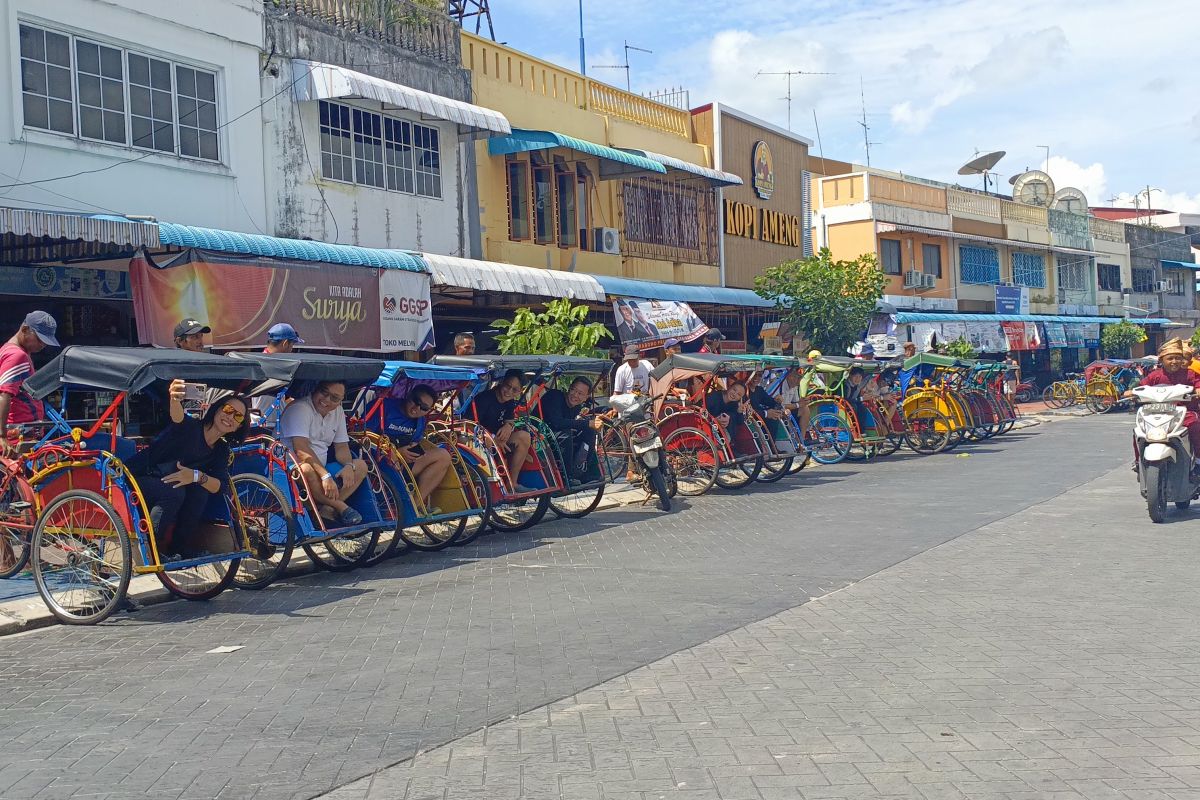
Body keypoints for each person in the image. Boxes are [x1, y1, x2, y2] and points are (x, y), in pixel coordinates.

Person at [125, 380, 249, 559]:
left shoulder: (221, 450)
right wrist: (175, 398)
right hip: (139, 476)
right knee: (174, 492)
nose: (230, 418)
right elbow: (178, 417)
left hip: (170, 484)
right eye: (228, 410)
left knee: (199, 491)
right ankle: (150, 548)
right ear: (217, 409)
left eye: (238, 417)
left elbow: (221, 486)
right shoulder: (191, 428)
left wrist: (196, 476)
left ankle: (179, 547)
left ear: (239, 426)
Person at [280, 380, 368, 525]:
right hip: (290, 465)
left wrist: (348, 466)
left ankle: (326, 509)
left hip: (322, 466)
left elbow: (341, 447)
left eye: (334, 398)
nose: (326, 400)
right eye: (323, 392)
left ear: (340, 401)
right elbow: (301, 449)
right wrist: (325, 476)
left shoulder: (338, 411)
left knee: (360, 465)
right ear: (315, 389)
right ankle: (340, 507)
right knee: (306, 469)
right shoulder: (300, 408)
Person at [377, 384, 451, 513]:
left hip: (404, 463)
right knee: (393, 457)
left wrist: (409, 453)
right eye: (416, 402)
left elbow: (414, 444)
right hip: (378, 460)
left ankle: (414, 506)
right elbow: (365, 435)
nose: (416, 408)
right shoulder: (385, 407)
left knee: (443, 455)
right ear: (409, 396)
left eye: (424, 408)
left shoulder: (420, 421)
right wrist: (395, 451)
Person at [1128, 339, 1200, 469]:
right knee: (1138, 432)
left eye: (1178, 358)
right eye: (1170, 358)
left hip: (1185, 413)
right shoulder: (1154, 375)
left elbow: (1198, 384)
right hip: (1157, 413)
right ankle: (1138, 461)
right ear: (1161, 360)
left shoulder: (1190, 374)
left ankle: (1198, 462)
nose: (1174, 361)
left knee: (1196, 428)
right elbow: (1141, 387)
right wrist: (1131, 392)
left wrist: (1198, 390)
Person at [0, 311, 58, 455]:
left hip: (25, 436)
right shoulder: (17, 356)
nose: (43, 344)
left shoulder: (10, 351)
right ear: (25, 330)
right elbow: (4, 395)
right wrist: (2, 436)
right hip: (18, 439)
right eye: (40, 339)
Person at [468, 369, 535, 491]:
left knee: (524, 436)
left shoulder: (510, 402)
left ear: (520, 391)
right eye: (507, 386)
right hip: (480, 438)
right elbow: (471, 425)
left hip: (499, 439)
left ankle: (512, 483)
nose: (509, 392)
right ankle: (493, 486)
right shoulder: (484, 399)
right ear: (502, 383)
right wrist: (493, 438)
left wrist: (508, 427)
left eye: (515, 390)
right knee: (488, 441)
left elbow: (510, 420)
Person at [541, 376, 602, 481]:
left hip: (557, 433)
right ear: (569, 388)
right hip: (541, 434)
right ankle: (567, 477)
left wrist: (590, 425)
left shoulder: (577, 406)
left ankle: (586, 470)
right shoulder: (555, 396)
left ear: (586, 397)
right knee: (566, 435)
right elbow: (557, 423)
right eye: (573, 390)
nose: (575, 395)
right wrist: (587, 423)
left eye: (580, 394)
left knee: (589, 431)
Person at [253, 323, 305, 419]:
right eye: (292, 344)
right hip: (269, 423)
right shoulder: (273, 365)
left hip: (262, 420)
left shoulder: (260, 361)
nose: (292, 349)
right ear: (285, 344)